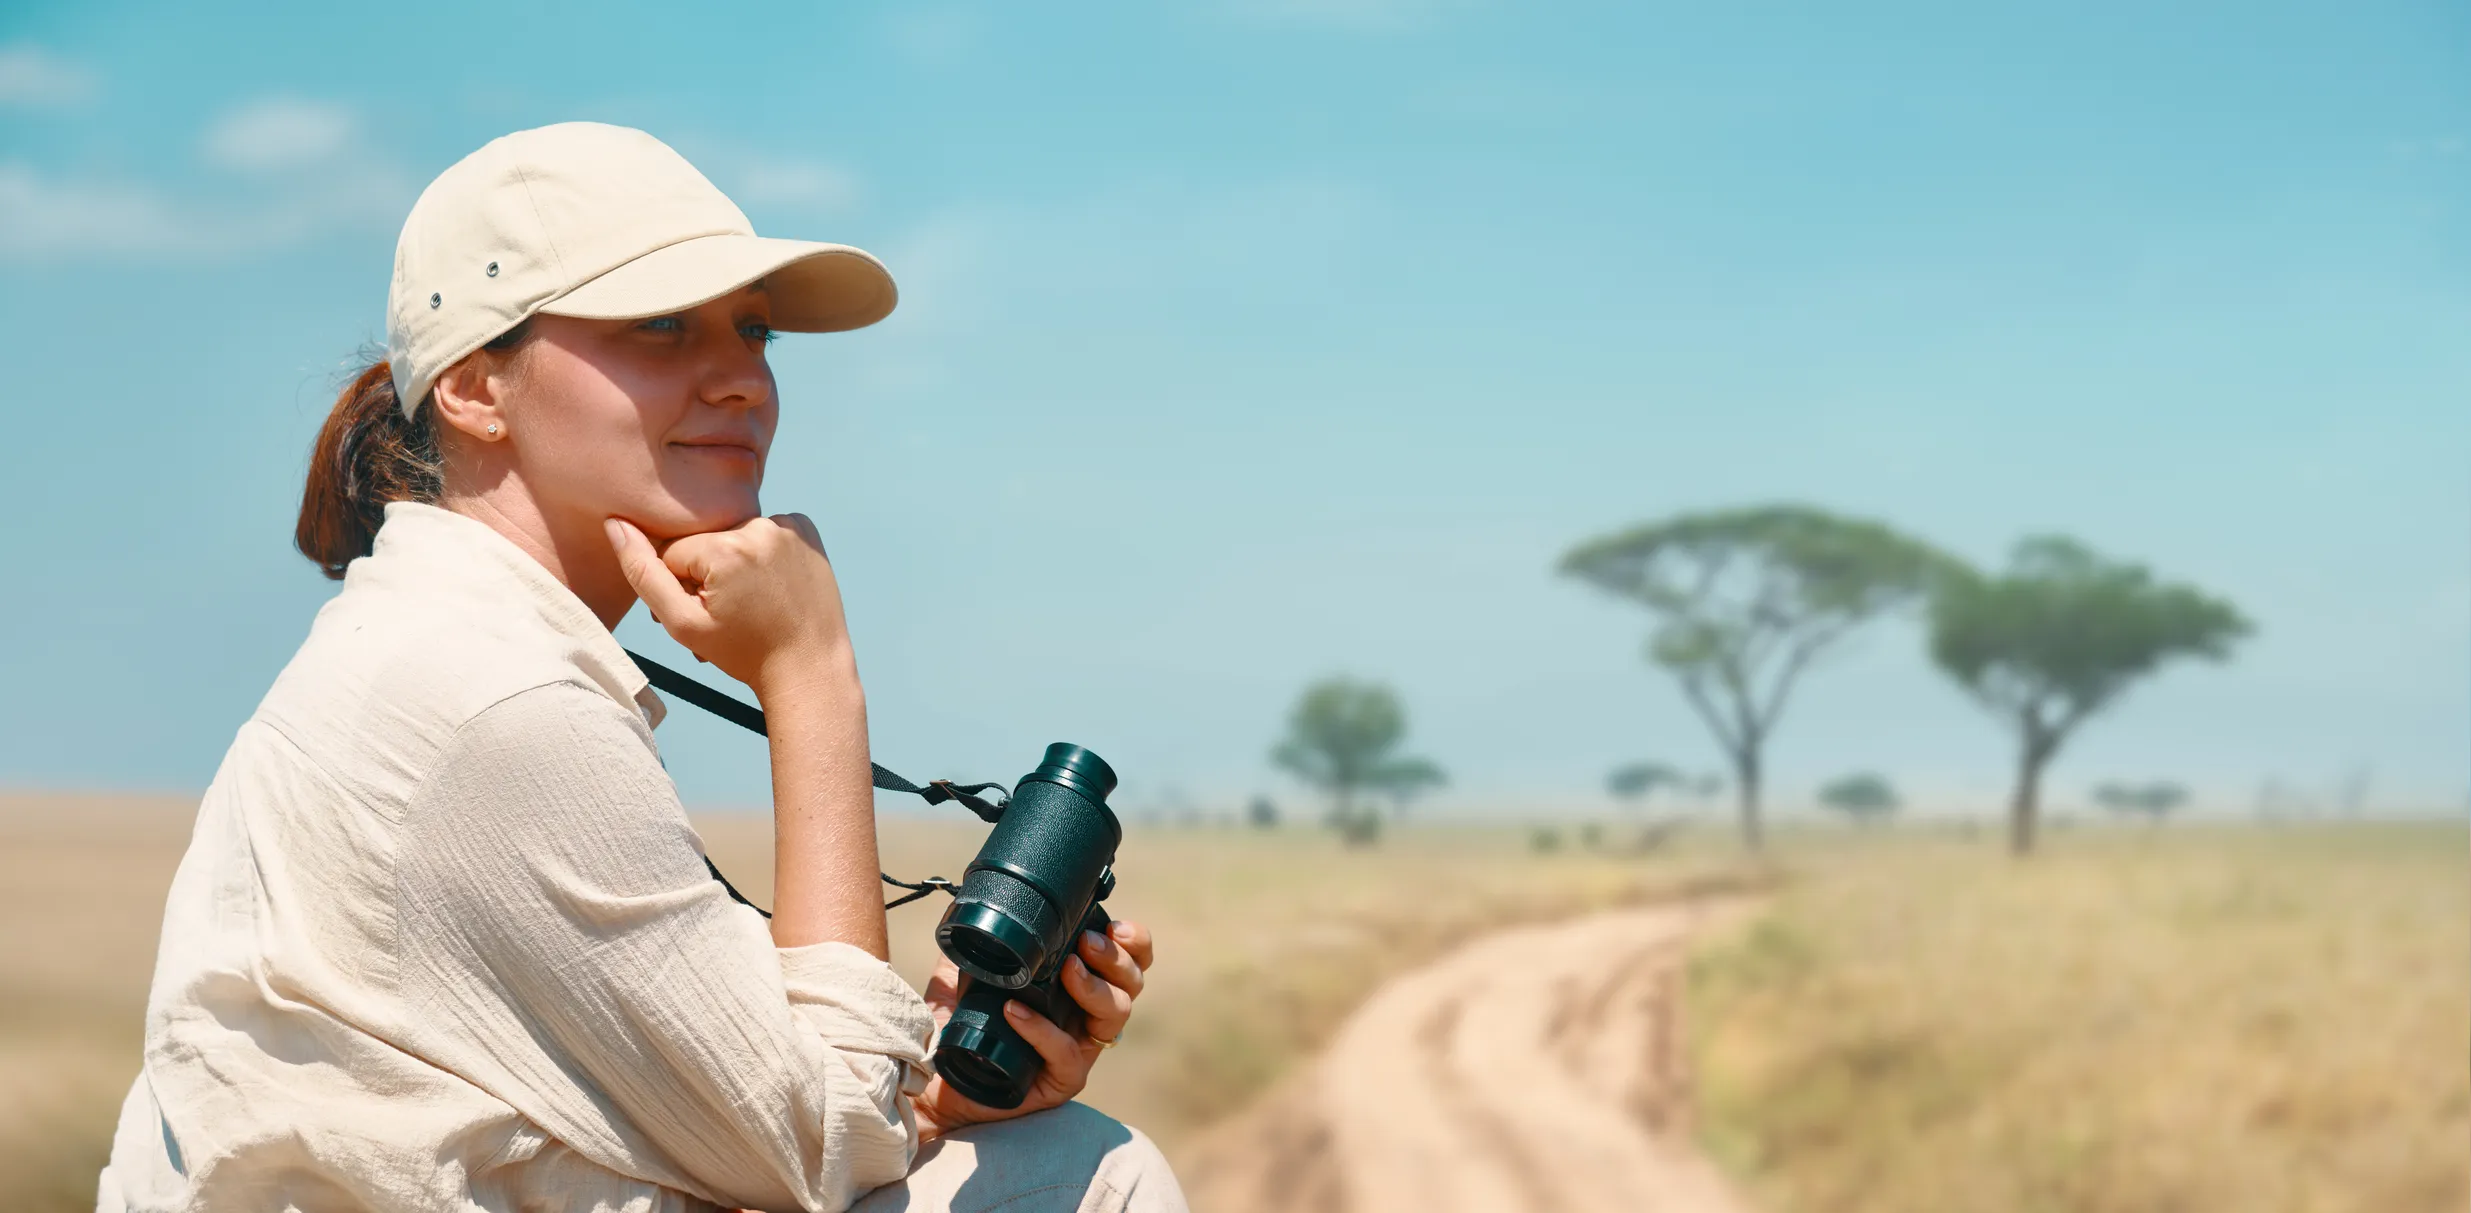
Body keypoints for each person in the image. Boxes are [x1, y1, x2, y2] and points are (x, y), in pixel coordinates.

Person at [96, 122, 1186, 1213]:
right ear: (476, 389)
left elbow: (732, 1117)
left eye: (751, 329)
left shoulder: (434, 638)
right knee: (1095, 1175)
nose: (740, 382)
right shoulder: (499, 703)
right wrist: (811, 673)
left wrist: (941, 1102)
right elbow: (832, 1141)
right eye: (660, 326)